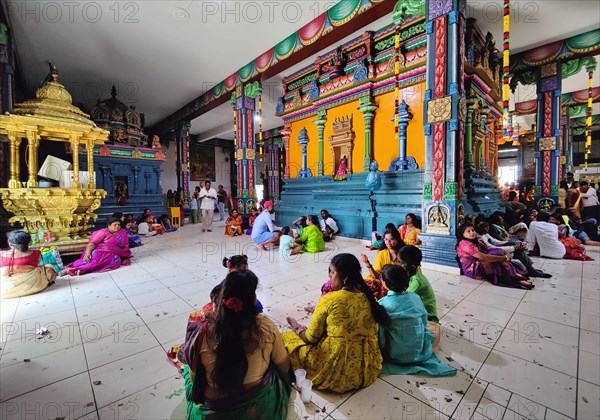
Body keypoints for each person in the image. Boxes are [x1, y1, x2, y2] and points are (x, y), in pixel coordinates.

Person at [181, 270, 291, 419]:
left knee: (188, 370)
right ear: (253, 299)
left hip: (215, 412)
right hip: (259, 407)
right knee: (276, 363)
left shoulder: (200, 333)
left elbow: (195, 381)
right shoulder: (265, 327)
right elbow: (284, 366)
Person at [283, 253, 388, 393]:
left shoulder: (330, 299)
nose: (329, 278)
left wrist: (297, 328)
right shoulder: (370, 298)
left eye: (332, 273)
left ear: (344, 277)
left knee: (287, 338)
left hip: (336, 372)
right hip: (368, 369)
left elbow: (310, 338)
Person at [378, 265, 456, 377]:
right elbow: (423, 322)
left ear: (385, 283)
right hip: (418, 352)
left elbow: (381, 335)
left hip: (394, 356)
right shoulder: (415, 297)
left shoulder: (382, 303)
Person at [456, 223, 533, 289]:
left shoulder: (475, 239)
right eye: (468, 231)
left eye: (473, 230)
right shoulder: (465, 244)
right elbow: (482, 257)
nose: (472, 233)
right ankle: (512, 277)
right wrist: (503, 258)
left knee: (497, 251)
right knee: (496, 261)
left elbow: (492, 246)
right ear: (463, 234)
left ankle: (515, 274)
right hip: (473, 269)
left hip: (478, 261)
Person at [475, 221, 552, 278]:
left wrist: (513, 243)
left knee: (514, 244)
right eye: (483, 226)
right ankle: (531, 270)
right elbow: (491, 247)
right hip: (488, 253)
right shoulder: (479, 237)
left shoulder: (485, 233)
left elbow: (496, 242)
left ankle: (530, 268)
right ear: (477, 226)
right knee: (517, 250)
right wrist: (514, 247)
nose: (486, 228)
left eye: (487, 226)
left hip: (493, 248)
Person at [398, 246, 441, 347]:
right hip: (418, 308)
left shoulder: (416, 281)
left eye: (401, 262)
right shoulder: (410, 273)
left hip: (428, 315)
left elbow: (402, 299)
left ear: (412, 266)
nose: (398, 264)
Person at [59, 217, 132, 276]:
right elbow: (92, 243)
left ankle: (84, 270)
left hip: (114, 254)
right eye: (115, 225)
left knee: (116, 261)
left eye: (119, 225)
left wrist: (124, 253)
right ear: (109, 225)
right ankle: (72, 269)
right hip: (97, 252)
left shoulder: (122, 232)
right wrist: (88, 252)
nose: (117, 226)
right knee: (94, 259)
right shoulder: (102, 232)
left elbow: (125, 245)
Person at [1, 230, 57, 298]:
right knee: (49, 266)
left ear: (10, 244)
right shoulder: (36, 253)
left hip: (6, 288)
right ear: (29, 242)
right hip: (32, 284)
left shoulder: (1, 254)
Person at [359, 228, 405, 298]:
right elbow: (376, 275)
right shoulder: (382, 253)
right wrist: (368, 264)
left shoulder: (403, 254)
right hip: (383, 282)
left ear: (397, 239)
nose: (388, 242)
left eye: (391, 239)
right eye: (386, 239)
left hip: (397, 284)